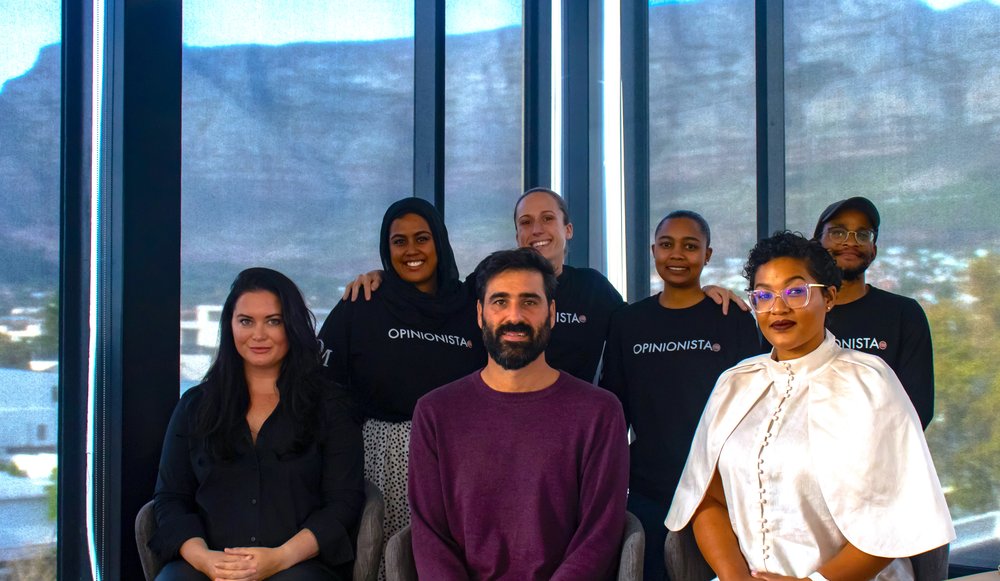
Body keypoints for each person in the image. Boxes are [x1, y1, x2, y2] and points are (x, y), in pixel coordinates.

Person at [666, 232, 953, 581]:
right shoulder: (734, 383)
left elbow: (895, 516)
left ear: (828, 297)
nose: (778, 307)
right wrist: (734, 577)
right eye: (764, 295)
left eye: (795, 291)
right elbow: (706, 500)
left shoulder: (869, 381)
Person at [342, 188, 745, 384]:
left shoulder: (594, 290)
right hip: (497, 421)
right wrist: (383, 280)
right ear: (517, 234)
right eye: (526, 222)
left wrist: (702, 296)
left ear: (568, 230)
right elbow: (434, 303)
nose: (537, 230)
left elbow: (647, 323)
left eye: (548, 219)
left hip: (571, 425)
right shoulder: (487, 281)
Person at [408, 248, 630, 580]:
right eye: (500, 302)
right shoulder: (435, 413)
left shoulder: (599, 413)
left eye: (529, 302)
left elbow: (599, 535)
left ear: (551, 313)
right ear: (480, 314)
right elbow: (430, 537)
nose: (515, 316)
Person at [151, 267, 365, 581]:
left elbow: (343, 502)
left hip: (298, 565)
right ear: (230, 326)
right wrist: (205, 560)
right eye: (246, 321)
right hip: (208, 565)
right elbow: (171, 498)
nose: (258, 334)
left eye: (273, 321)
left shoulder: (331, 406)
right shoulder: (195, 406)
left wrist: (280, 558)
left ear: (291, 326)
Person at [317, 197, 486, 577]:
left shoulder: (470, 306)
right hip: (383, 457)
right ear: (386, 248)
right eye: (399, 241)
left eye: (422, 238)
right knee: (387, 562)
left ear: (439, 242)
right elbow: (323, 387)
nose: (411, 250)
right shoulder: (363, 302)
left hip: (461, 461)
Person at [601, 210, 765, 581]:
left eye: (690, 246)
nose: (677, 254)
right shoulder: (628, 322)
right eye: (667, 244)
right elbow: (615, 410)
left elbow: (754, 409)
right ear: (653, 250)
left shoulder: (731, 318)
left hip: (721, 489)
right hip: (649, 488)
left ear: (707, 255)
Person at [812, 196, 935, 429]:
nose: (850, 242)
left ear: (874, 250)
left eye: (863, 234)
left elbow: (917, 409)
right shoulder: (798, 313)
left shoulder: (904, 314)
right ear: (817, 244)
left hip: (882, 460)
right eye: (838, 233)